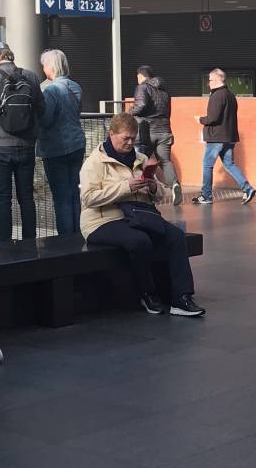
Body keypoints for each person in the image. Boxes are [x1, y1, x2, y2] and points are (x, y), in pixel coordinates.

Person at [81, 113, 205, 317]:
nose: (130, 143)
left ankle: (181, 298)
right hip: (102, 220)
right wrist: (125, 187)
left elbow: (162, 193)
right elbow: (89, 199)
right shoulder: (94, 162)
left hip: (138, 215)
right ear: (111, 134)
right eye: (125, 138)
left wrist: (154, 187)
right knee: (139, 241)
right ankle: (147, 293)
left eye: (133, 138)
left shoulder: (141, 159)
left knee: (175, 236)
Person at [0, 42, 44, 242]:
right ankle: (30, 240)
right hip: (27, 146)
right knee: (26, 197)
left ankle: (3, 243)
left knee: (2, 199)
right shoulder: (31, 76)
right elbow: (41, 109)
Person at [37, 48, 84, 236]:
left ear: (51, 66)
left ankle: (65, 240)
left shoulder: (51, 90)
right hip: (77, 144)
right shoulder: (76, 87)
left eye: (44, 65)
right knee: (73, 194)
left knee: (61, 197)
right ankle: (78, 234)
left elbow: (46, 120)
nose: (43, 69)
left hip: (56, 147)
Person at [193, 68, 256, 206]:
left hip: (216, 138)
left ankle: (206, 196)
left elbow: (212, 118)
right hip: (229, 137)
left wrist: (200, 119)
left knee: (207, 165)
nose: (208, 83)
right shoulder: (230, 95)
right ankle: (247, 188)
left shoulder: (217, 96)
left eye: (209, 80)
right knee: (229, 164)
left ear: (216, 80)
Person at [129, 64, 178, 201]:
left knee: (140, 161)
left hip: (147, 131)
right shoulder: (164, 91)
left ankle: (143, 191)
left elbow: (141, 105)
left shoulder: (142, 87)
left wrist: (130, 111)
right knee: (165, 161)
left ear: (140, 75)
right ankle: (174, 185)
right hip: (164, 130)